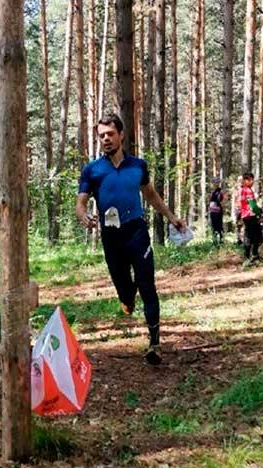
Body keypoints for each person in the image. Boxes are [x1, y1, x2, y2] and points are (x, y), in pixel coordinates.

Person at [76, 113, 186, 365]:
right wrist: (84, 216)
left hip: (136, 232)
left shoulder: (138, 165)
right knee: (125, 290)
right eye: (102, 135)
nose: (106, 139)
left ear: (121, 135)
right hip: (111, 238)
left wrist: (171, 217)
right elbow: (80, 203)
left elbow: (151, 195)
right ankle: (127, 297)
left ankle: (155, 343)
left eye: (110, 134)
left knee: (147, 283)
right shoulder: (92, 170)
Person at [237, 172, 262, 267]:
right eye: (250, 180)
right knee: (256, 235)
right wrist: (259, 212)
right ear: (246, 180)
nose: (252, 182)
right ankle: (253, 255)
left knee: (249, 235)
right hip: (251, 215)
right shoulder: (247, 190)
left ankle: (248, 256)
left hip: (245, 215)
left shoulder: (242, 190)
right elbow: (252, 204)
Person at [209, 178, 225, 245]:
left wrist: (221, 206)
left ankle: (221, 240)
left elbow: (222, 201)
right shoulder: (213, 192)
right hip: (212, 211)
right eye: (214, 182)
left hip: (218, 211)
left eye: (217, 182)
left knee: (219, 226)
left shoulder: (220, 191)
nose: (215, 184)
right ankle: (214, 240)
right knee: (213, 226)